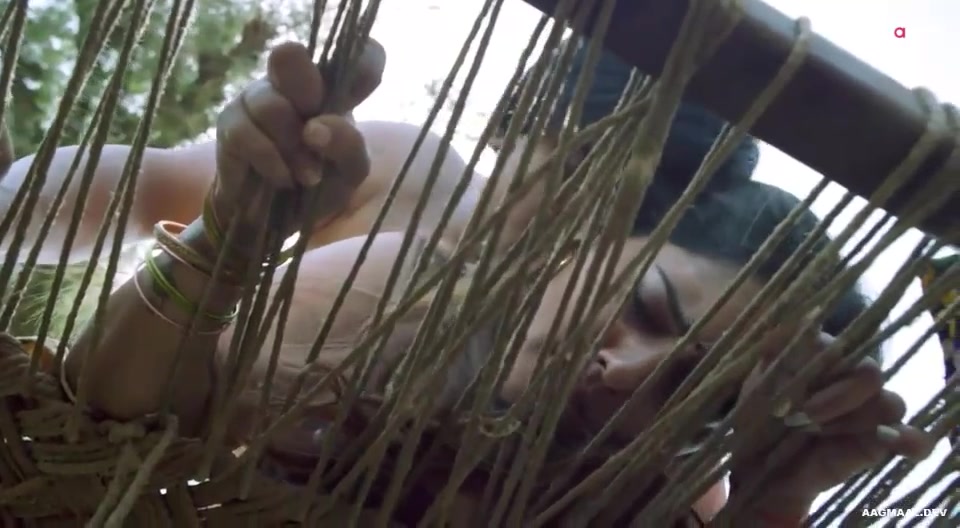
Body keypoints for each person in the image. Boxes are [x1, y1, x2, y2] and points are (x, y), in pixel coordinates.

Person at [2, 39, 935, 525]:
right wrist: (226, 235)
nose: (628, 371)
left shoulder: (655, 496)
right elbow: (124, 194)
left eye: (697, 390)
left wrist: (775, 507)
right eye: (644, 308)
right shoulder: (402, 188)